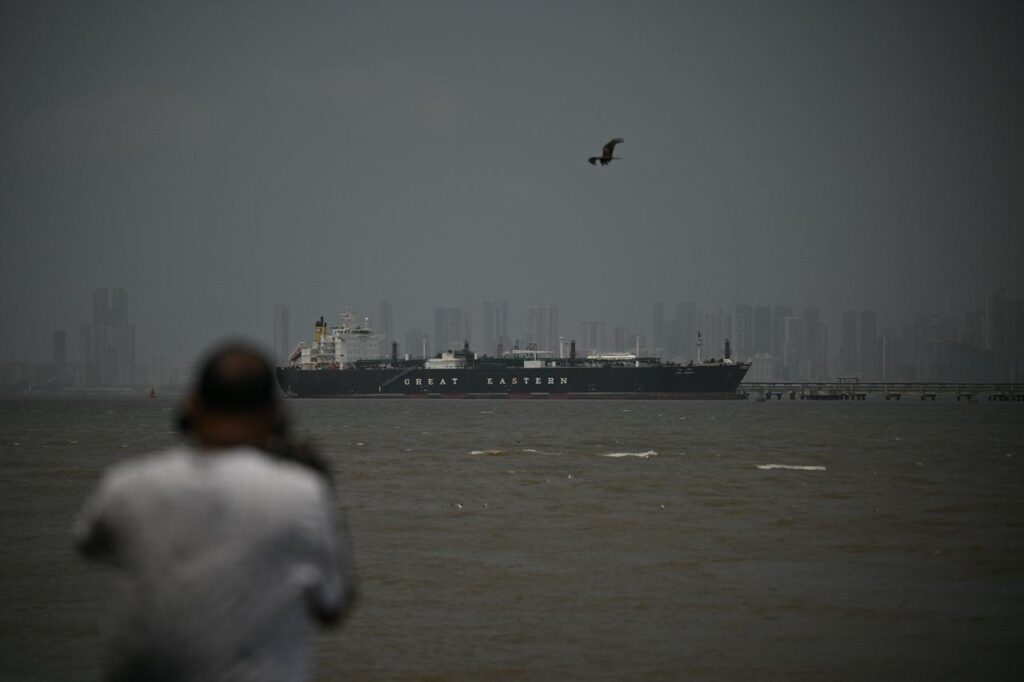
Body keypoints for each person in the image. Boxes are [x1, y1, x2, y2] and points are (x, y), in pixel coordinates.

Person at [75, 342, 356, 682]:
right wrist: (320, 483)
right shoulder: (300, 494)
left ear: (191, 405)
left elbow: (89, 546)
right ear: (276, 415)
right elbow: (333, 605)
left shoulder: (124, 486)